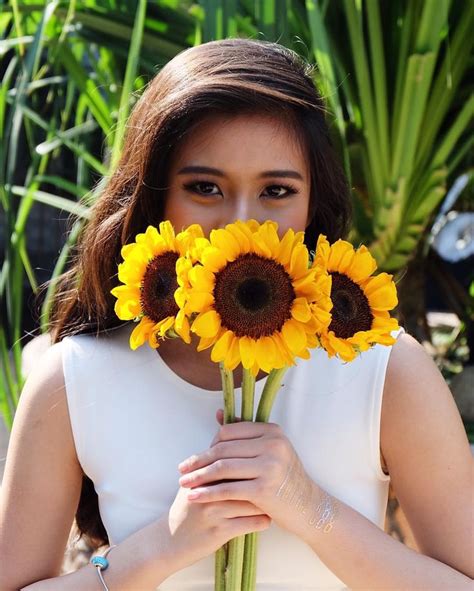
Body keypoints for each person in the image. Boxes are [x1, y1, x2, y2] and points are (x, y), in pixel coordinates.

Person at [0, 38, 472, 591]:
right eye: (204, 188)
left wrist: (311, 508)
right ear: (154, 198)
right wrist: (162, 547)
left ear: (311, 205)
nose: (240, 223)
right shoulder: (74, 379)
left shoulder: (385, 370)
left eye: (276, 190)